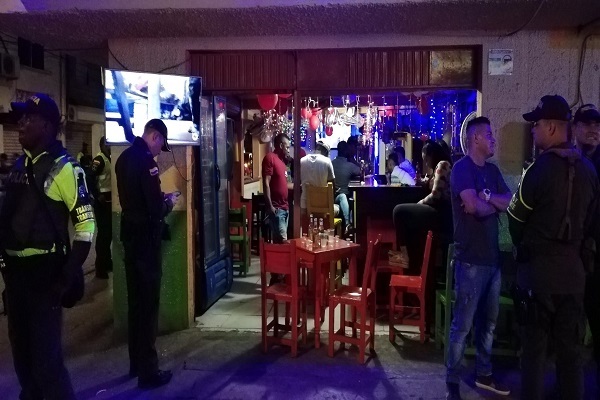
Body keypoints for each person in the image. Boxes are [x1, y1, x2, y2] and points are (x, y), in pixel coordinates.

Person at [0, 93, 95, 400]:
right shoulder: (20, 164)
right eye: (21, 117)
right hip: (16, 277)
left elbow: (86, 228)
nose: (21, 123)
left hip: (45, 277)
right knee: (23, 359)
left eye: (29, 118)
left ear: (47, 126)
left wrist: (64, 278)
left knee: (47, 365)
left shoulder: (65, 169)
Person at [508, 96, 599, 400]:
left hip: (538, 277)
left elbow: (515, 219)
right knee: (570, 357)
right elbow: (593, 224)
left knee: (533, 355)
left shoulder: (537, 170)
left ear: (550, 128)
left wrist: (524, 247)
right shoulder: (589, 171)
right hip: (574, 278)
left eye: (535, 125)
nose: (533, 130)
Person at [445, 116, 511, 400]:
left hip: (493, 260)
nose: (493, 139)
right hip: (470, 260)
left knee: (489, 323)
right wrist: (491, 203)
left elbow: (509, 201)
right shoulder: (462, 169)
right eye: (489, 135)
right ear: (475, 139)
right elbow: (472, 206)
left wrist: (488, 199)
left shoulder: (493, 171)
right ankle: (452, 381)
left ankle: (484, 374)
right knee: (463, 325)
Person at [115, 118, 180, 389]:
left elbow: (132, 200)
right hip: (146, 241)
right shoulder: (146, 162)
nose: (159, 152)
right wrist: (169, 202)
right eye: (160, 145)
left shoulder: (123, 159)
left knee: (135, 304)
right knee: (148, 307)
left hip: (130, 238)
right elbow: (154, 208)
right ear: (154, 136)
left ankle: (135, 363)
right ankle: (149, 372)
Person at [572, 104, 600, 391]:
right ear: (575, 128)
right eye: (588, 124)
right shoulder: (569, 161)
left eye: (597, 125)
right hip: (572, 258)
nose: (594, 130)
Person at [262, 133, 292, 246]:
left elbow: (284, 184)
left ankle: (276, 258)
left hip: (285, 207)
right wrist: (270, 206)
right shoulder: (270, 158)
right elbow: (266, 182)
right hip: (277, 208)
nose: (288, 150)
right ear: (280, 145)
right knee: (283, 242)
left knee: (279, 243)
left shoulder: (283, 162)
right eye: (287, 147)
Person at [90, 136, 112, 279]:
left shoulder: (108, 158)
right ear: (102, 145)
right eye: (108, 144)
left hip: (109, 201)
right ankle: (100, 268)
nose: (110, 146)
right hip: (102, 202)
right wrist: (97, 195)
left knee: (108, 234)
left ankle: (107, 262)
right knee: (103, 235)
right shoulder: (99, 159)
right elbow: (89, 178)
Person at [300, 140, 335, 232]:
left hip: (305, 206)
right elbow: (332, 184)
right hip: (324, 208)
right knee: (338, 207)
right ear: (326, 152)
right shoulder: (327, 161)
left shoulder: (302, 161)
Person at [332, 140, 361, 235]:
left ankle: (348, 225)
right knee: (345, 197)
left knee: (344, 197)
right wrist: (352, 160)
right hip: (342, 197)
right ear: (346, 151)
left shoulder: (331, 163)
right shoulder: (350, 166)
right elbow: (360, 171)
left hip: (331, 197)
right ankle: (348, 224)